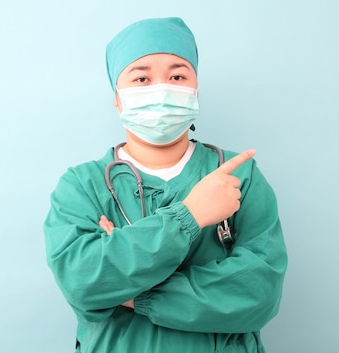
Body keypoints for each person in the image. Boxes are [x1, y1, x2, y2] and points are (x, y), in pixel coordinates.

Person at [44, 17, 287, 353]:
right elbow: (82, 282)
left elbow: (258, 293)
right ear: (117, 96)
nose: (160, 89)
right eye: (141, 77)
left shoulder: (238, 176)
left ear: (195, 87)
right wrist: (191, 215)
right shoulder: (82, 186)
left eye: (177, 76)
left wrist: (130, 291)